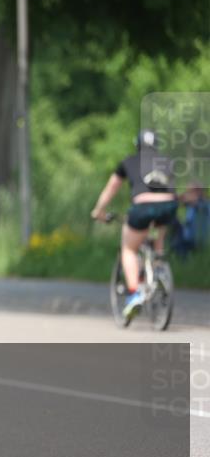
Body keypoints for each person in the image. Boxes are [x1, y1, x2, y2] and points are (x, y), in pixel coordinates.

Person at [91, 129, 178, 322]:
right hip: (169, 205)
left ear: (137, 145)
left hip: (142, 206)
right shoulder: (167, 162)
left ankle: (135, 293)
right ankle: (159, 271)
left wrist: (98, 211)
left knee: (129, 249)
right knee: (157, 243)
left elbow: (111, 188)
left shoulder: (128, 161)